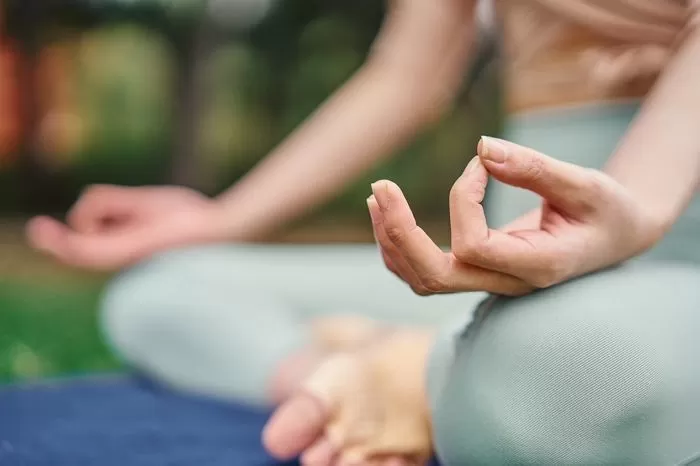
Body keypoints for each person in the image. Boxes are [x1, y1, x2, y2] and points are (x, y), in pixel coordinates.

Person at [29, 0, 700, 464]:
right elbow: (406, 74)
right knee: (165, 289)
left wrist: (626, 206)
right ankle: (363, 385)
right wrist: (221, 219)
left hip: (678, 266)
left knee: (563, 377)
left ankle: (413, 367)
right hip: (531, 258)